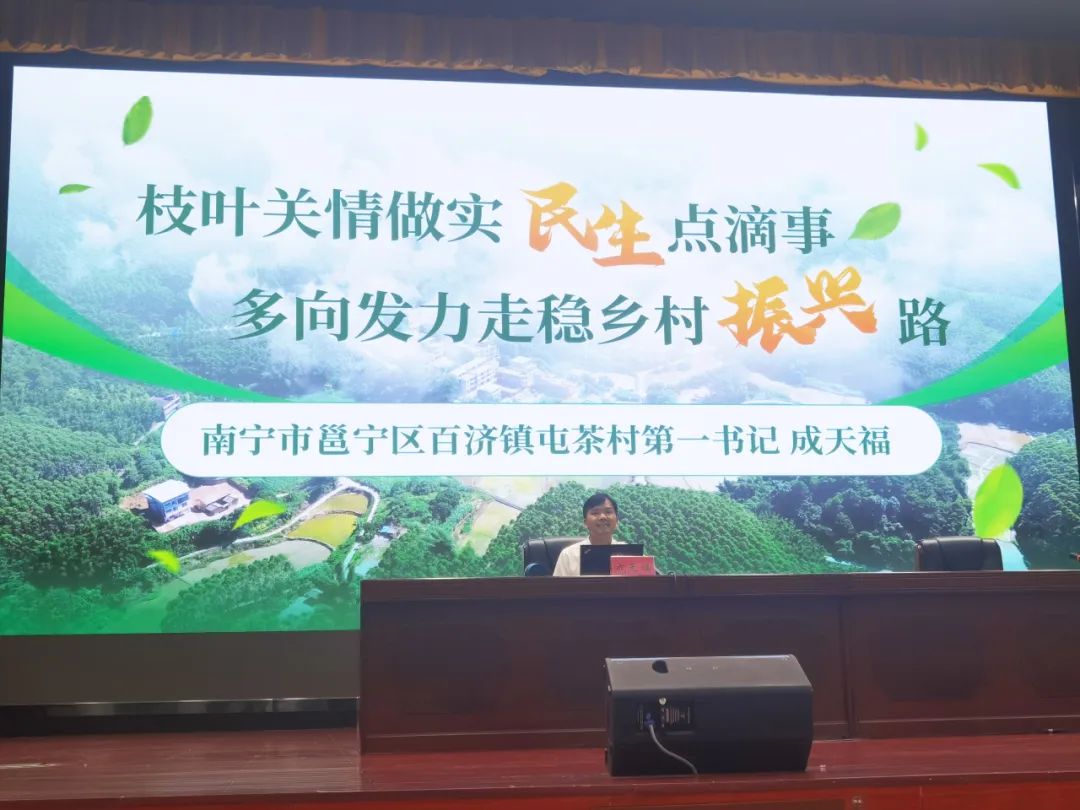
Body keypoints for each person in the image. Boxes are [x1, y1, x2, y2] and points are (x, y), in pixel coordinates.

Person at [552, 491, 625, 576]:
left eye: (608, 512)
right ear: (585, 522)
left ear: (617, 521)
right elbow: (558, 585)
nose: (602, 517)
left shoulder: (628, 554)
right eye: (595, 513)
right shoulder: (568, 555)